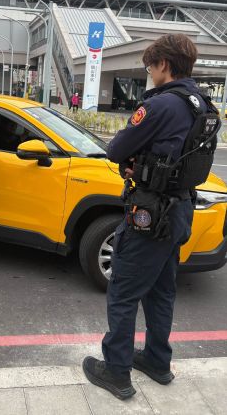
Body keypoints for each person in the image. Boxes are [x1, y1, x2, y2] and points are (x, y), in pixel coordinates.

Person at [82, 34, 219, 400]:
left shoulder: (160, 105)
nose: (149, 74)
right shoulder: (203, 105)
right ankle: (157, 361)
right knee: (161, 291)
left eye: (149, 67)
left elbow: (116, 149)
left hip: (150, 212)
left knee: (124, 292)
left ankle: (116, 372)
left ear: (163, 64)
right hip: (180, 210)